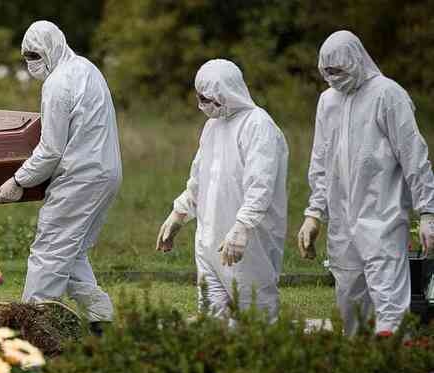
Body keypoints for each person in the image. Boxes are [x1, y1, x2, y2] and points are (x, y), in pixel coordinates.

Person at [0, 20, 122, 335]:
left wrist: (18, 180)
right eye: (26, 57)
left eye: (35, 55)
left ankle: (33, 327)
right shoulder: (86, 68)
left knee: (50, 249)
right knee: (71, 250)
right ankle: (100, 320)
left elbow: (50, 150)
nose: (31, 63)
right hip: (105, 172)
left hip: (80, 176)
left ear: (51, 48)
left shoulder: (57, 83)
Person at [297, 30, 434, 337]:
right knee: (349, 305)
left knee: (389, 304)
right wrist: (313, 213)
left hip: (381, 217)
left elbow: (413, 154)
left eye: (338, 71)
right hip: (342, 223)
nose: (333, 78)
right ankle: (358, 372)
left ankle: (394, 369)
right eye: (326, 72)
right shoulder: (327, 101)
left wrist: (428, 211)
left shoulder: (388, 95)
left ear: (356, 61)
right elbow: (321, 161)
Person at [157, 59, 288, 324]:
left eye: (209, 100)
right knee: (213, 323)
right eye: (200, 98)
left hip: (248, 243)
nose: (202, 106)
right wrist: (178, 214)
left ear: (227, 93)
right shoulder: (212, 127)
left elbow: (260, 185)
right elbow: (200, 180)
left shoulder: (258, 125)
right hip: (209, 241)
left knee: (257, 319)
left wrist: (242, 227)